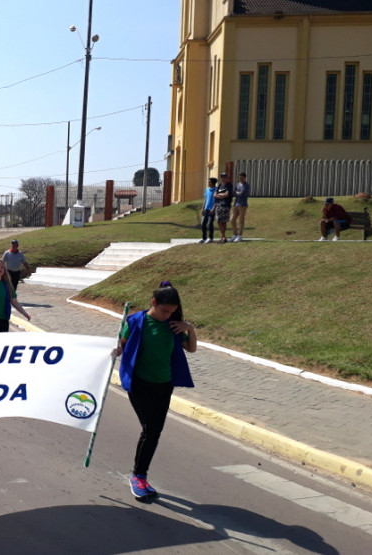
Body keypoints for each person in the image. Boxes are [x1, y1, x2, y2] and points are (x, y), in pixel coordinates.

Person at [114, 281, 197, 501]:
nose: (167, 315)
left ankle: (139, 475)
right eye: (164, 311)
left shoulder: (174, 325)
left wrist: (189, 328)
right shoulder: (136, 321)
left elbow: (191, 348)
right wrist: (115, 349)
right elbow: (121, 346)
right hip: (139, 384)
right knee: (150, 429)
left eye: (171, 311)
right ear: (153, 303)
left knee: (154, 432)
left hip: (164, 384)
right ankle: (138, 477)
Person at [0, 258, 31, 333]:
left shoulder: (8, 285)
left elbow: (14, 302)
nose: (0, 269)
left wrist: (24, 313)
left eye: (2, 267)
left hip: (3, 321)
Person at [230, 172, 250, 242]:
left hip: (243, 204)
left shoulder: (246, 185)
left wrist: (237, 192)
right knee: (232, 220)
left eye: (242, 177)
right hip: (236, 203)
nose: (240, 179)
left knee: (241, 220)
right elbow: (234, 192)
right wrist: (237, 192)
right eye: (240, 177)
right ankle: (235, 234)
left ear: (244, 178)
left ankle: (239, 235)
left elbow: (242, 193)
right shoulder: (238, 184)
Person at [214, 173, 233, 243]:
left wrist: (219, 195)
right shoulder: (219, 186)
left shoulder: (229, 185)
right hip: (219, 205)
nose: (223, 178)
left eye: (224, 177)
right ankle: (223, 236)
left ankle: (223, 237)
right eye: (222, 177)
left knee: (223, 221)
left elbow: (227, 194)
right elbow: (214, 195)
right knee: (218, 221)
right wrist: (221, 195)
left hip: (225, 205)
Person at [198, 178, 217, 244]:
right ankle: (204, 238)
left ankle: (211, 238)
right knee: (203, 223)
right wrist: (203, 208)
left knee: (210, 223)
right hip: (206, 209)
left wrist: (213, 209)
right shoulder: (207, 190)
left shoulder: (216, 190)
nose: (208, 183)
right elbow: (206, 199)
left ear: (213, 183)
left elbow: (217, 201)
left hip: (212, 210)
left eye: (209, 182)